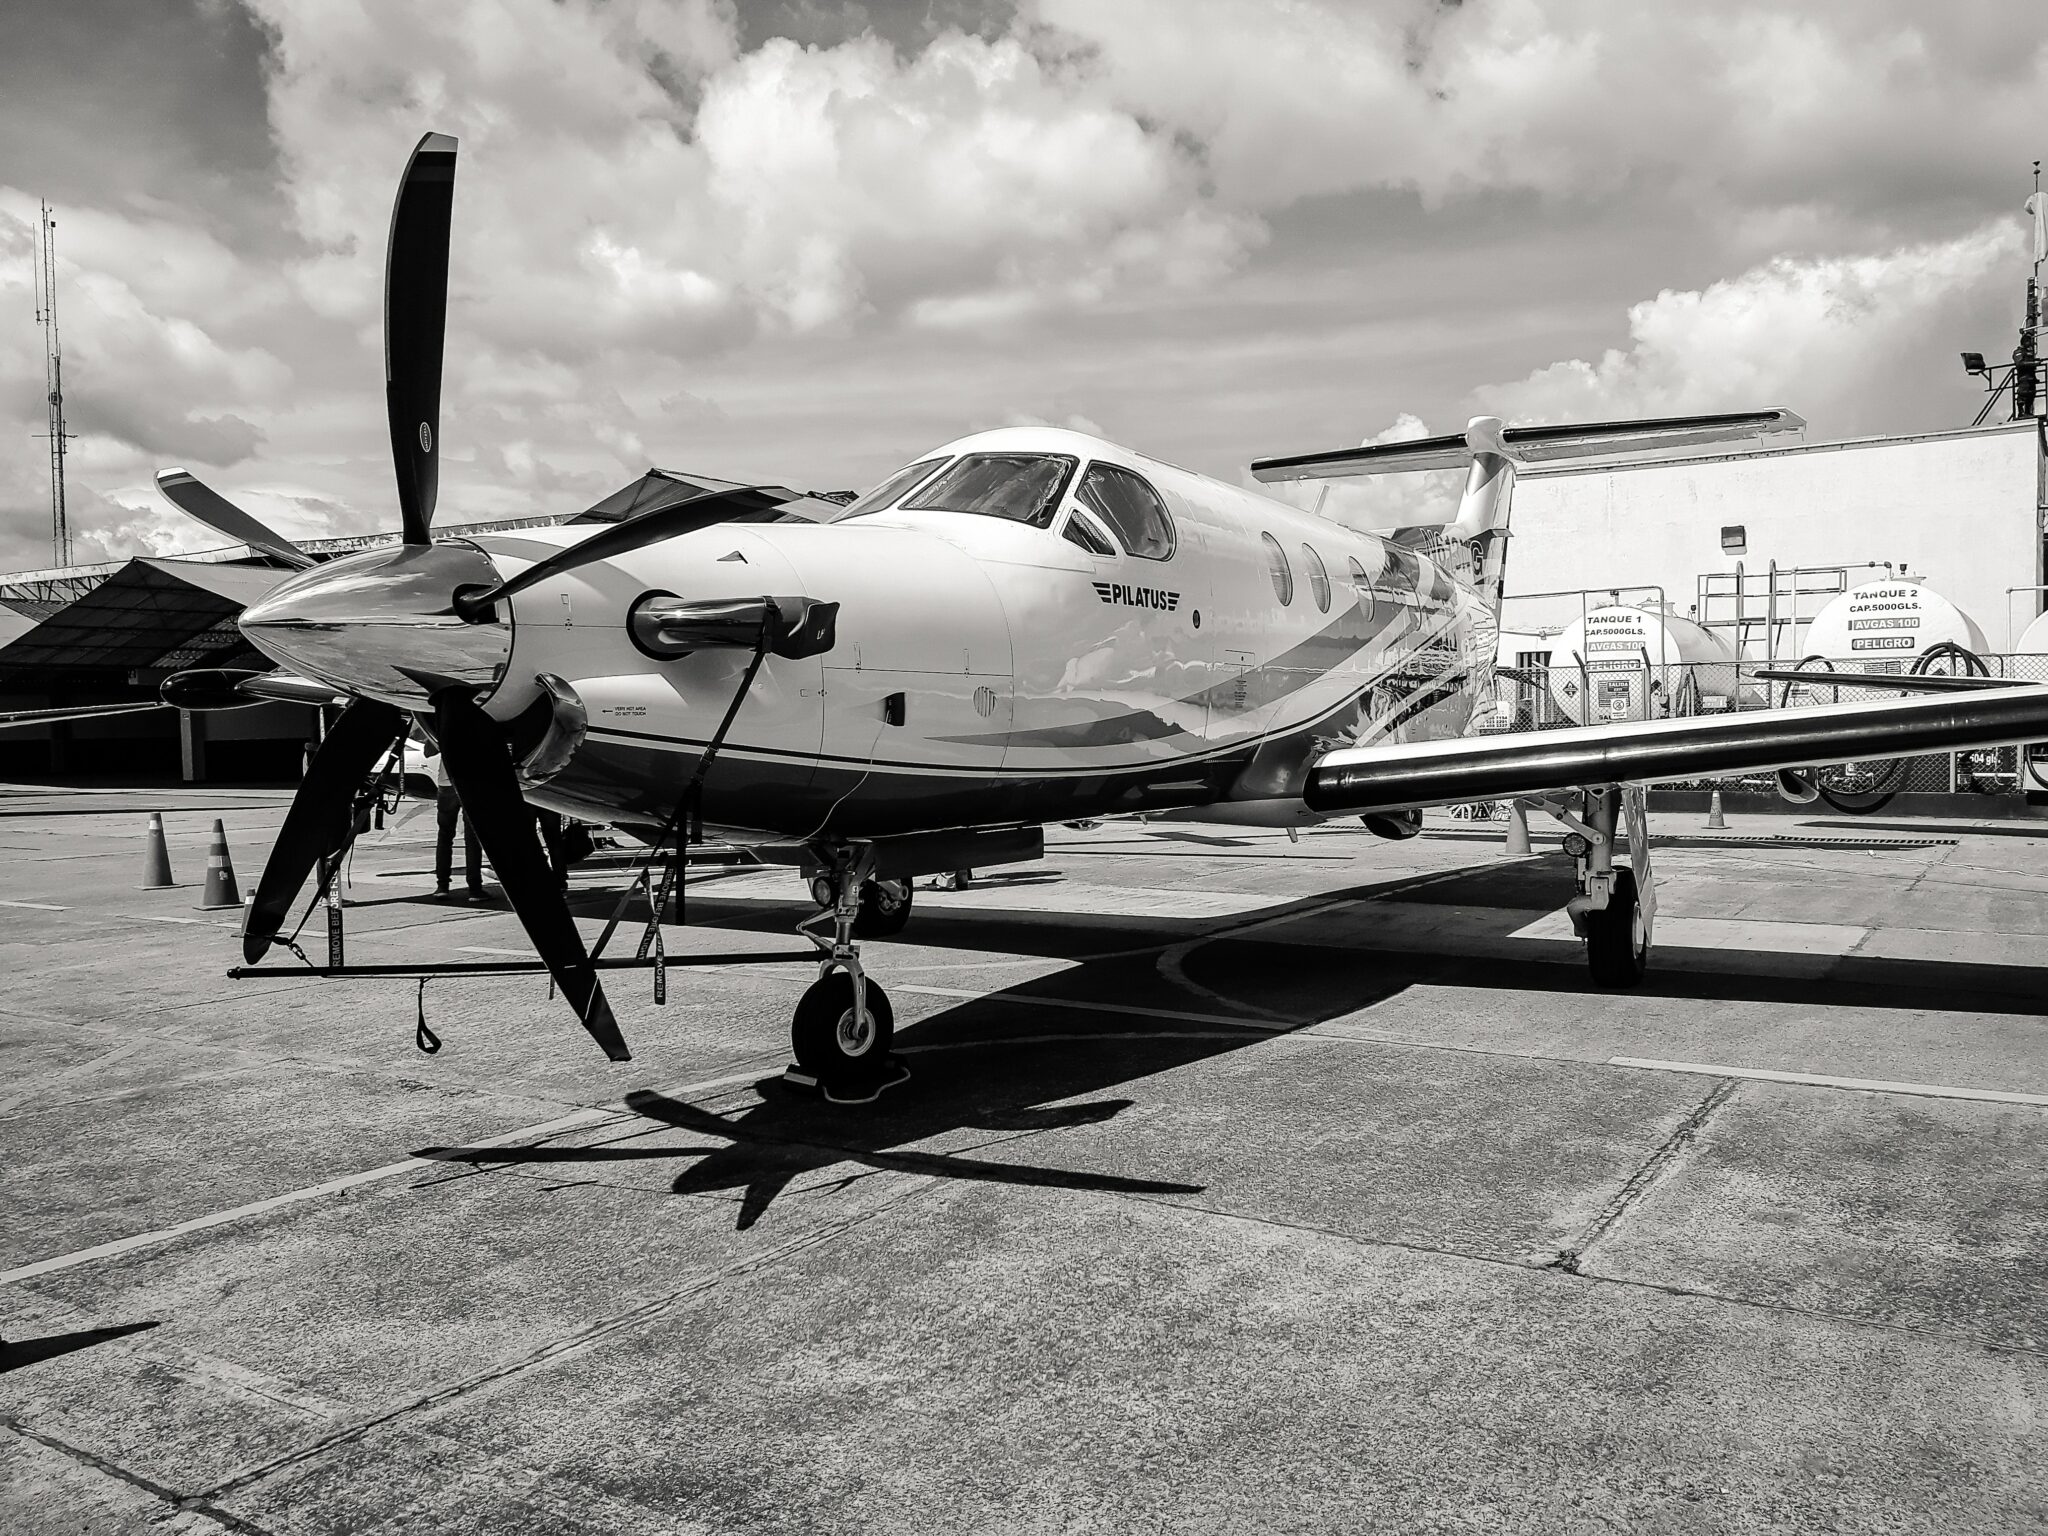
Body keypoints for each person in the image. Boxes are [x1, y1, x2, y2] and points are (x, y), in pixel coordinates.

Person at [430, 749, 485, 901]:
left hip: (446, 782)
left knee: (445, 835)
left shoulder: (442, 728)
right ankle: (474, 888)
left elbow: (428, 751)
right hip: (470, 781)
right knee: (472, 838)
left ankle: (442, 886)